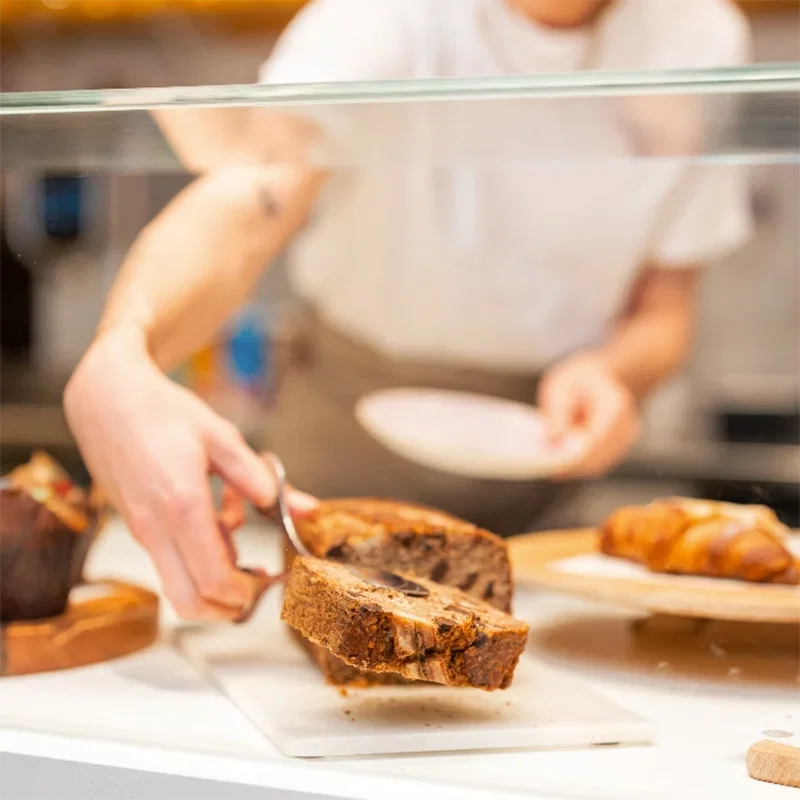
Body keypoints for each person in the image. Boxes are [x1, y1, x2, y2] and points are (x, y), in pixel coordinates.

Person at [64, 0, 753, 621]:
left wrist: (612, 372)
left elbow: (665, 308)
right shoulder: (384, 17)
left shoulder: (699, 34)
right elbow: (251, 196)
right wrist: (126, 346)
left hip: (541, 477)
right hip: (340, 446)